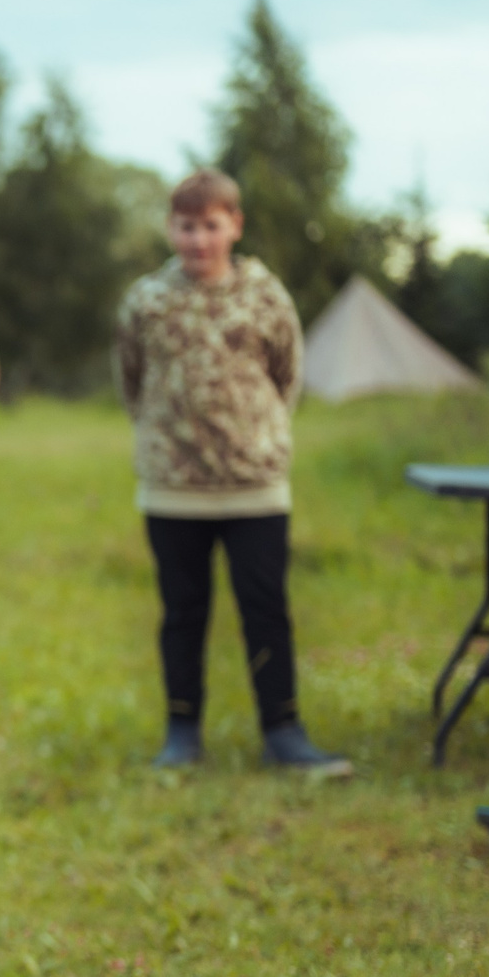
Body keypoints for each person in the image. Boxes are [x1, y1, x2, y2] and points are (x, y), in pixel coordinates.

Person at [116, 169, 351, 777]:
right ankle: (181, 733)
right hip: (173, 489)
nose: (199, 240)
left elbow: (286, 375)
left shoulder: (266, 297)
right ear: (171, 228)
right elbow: (132, 381)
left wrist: (254, 435)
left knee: (265, 606)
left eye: (211, 226)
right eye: (187, 227)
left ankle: (284, 731)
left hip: (256, 486)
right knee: (182, 611)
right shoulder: (146, 301)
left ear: (235, 226)